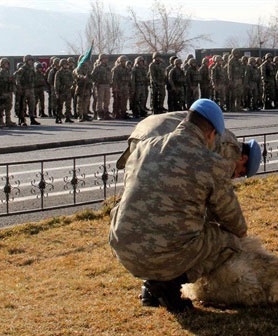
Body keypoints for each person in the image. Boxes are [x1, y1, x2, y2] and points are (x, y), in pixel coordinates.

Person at [109, 98, 249, 313]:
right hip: (164, 255)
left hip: (124, 249)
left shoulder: (145, 147)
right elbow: (235, 224)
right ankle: (168, 286)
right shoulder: (211, 164)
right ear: (211, 134)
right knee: (230, 242)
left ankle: (152, 286)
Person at [115, 110, 261, 179]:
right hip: (156, 137)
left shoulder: (227, 137)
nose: (235, 177)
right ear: (243, 159)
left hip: (144, 130)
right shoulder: (229, 151)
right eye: (241, 172)